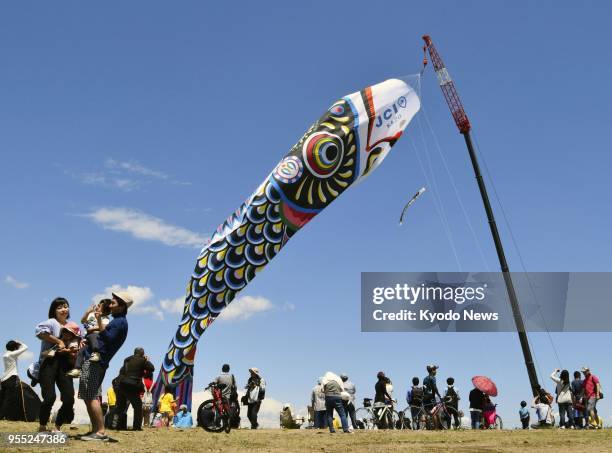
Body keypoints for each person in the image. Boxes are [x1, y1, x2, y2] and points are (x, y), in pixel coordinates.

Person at [78, 292, 132, 442]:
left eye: (113, 303)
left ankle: (100, 432)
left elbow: (107, 339)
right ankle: (96, 430)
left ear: (121, 307)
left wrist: (99, 319)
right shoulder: (118, 321)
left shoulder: (119, 322)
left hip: (96, 361)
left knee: (90, 395)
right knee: (88, 395)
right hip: (96, 360)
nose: (110, 305)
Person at [35, 298, 78, 433]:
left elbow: (78, 341)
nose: (64, 309)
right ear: (54, 310)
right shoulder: (51, 322)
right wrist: (58, 340)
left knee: (69, 398)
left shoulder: (72, 325)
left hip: (65, 364)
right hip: (49, 363)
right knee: (50, 397)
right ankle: (42, 426)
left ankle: (57, 426)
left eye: (66, 306)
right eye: (59, 307)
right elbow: (39, 332)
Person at [66, 299, 111, 378]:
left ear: (105, 311)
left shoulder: (105, 318)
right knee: (81, 351)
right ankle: (77, 369)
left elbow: (103, 328)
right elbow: (82, 321)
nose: (97, 307)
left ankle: (96, 352)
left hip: (96, 336)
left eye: (100, 306)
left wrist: (92, 329)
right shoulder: (91, 314)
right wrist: (87, 312)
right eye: (98, 305)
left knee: (93, 336)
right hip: (87, 338)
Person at [112, 347, 155, 431]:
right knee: (138, 407)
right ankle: (137, 427)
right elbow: (152, 368)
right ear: (142, 353)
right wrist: (147, 360)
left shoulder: (127, 359)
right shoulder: (142, 360)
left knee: (121, 406)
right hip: (132, 385)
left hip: (121, 384)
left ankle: (115, 425)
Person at [0, 340, 40, 421]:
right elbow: (25, 347)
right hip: (11, 377)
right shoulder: (12, 354)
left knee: (2, 398)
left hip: (3, 378)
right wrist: (19, 342)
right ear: (14, 348)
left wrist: (15, 345)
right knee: (9, 399)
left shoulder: (5, 354)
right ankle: (4, 416)